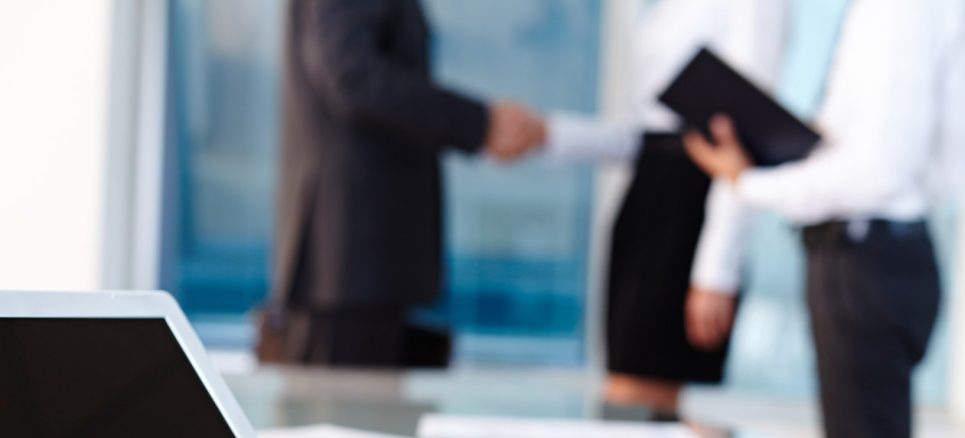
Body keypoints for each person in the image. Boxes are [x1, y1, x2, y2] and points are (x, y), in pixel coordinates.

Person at [685, 0, 965, 438]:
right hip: (879, 250)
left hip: (864, 259)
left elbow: (880, 172)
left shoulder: (900, 12)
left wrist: (750, 182)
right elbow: (953, 156)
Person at [267, 0, 545, 367]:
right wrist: (479, 124)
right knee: (344, 416)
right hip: (349, 262)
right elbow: (353, 76)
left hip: (362, 264)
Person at [543, 0, 786, 413]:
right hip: (647, 192)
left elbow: (740, 137)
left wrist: (716, 269)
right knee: (624, 390)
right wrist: (550, 134)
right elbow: (649, 133)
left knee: (642, 398)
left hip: (692, 204)